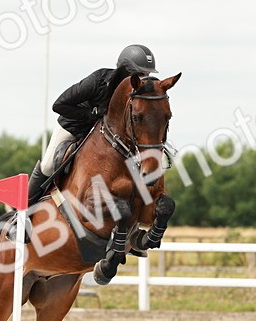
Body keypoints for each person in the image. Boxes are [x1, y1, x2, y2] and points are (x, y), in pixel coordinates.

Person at [28, 44, 159, 204]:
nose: (144, 78)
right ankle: (22, 210)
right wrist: (91, 115)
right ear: (126, 70)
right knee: (48, 165)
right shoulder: (98, 80)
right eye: (140, 73)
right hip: (74, 127)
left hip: (104, 134)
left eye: (147, 74)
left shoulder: (133, 95)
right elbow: (59, 105)